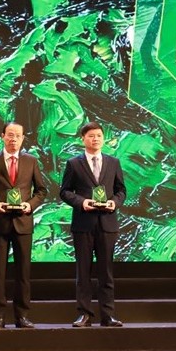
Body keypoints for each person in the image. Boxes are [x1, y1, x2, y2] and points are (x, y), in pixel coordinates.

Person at [0, 122, 48, 329]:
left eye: (17, 135)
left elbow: (41, 191)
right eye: (10, 135)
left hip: (23, 223)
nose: (13, 139)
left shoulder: (31, 161)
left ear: (23, 138)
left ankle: (22, 315)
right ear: (2, 136)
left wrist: (29, 205)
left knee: (23, 273)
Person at [60, 121, 126, 327]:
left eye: (98, 135)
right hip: (83, 224)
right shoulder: (73, 163)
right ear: (83, 139)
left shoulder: (113, 162)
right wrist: (82, 202)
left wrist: (114, 203)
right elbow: (64, 191)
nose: (95, 139)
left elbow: (121, 191)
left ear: (103, 138)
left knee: (106, 272)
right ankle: (84, 314)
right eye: (90, 136)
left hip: (107, 223)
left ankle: (108, 315)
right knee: (83, 272)